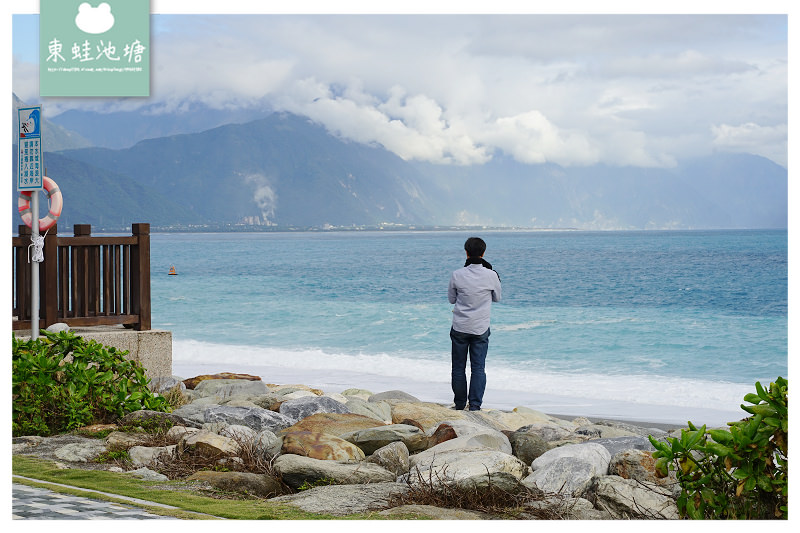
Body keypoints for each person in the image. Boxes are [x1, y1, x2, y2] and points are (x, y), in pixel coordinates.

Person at [447, 237, 501, 411]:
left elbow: (451, 299)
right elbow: (497, 298)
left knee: (458, 368)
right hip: (480, 327)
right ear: (483, 252)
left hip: (460, 326)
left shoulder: (457, 274)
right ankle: (475, 406)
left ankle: (460, 405)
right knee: (478, 368)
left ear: (466, 252)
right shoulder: (491, 275)